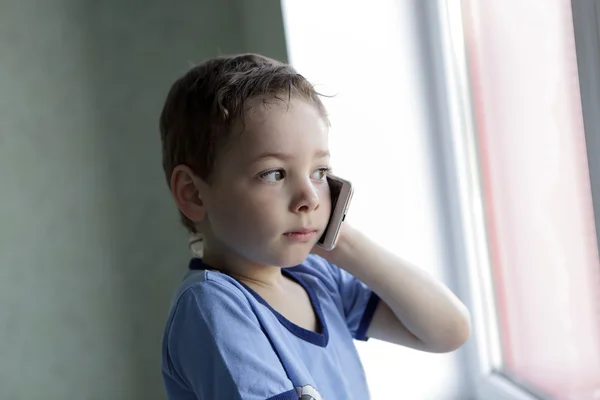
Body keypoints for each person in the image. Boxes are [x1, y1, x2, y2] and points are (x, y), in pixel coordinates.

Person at [159, 53, 471, 400]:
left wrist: (341, 240)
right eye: (274, 173)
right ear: (194, 194)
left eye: (319, 172)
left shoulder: (316, 277)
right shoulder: (213, 307)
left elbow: (448, 330)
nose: (310, 197)